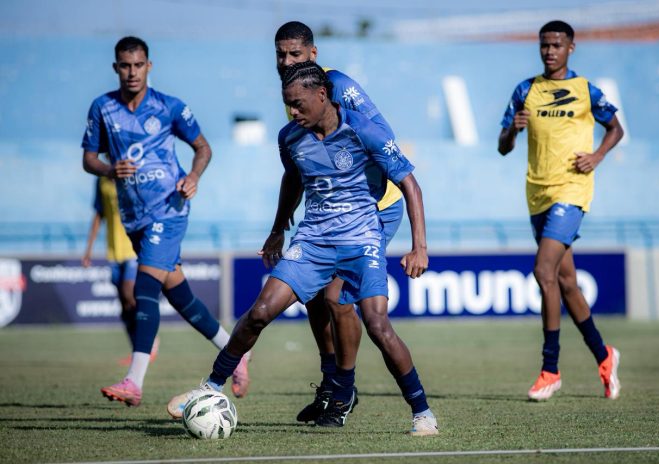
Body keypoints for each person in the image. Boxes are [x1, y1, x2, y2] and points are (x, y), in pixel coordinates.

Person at [169, 61, 438, 436]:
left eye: (298, 103)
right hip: (312, 242)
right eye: (288, 104)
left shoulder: (364, 130)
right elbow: (293, 180)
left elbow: (411, 185)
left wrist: (419, 247)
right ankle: (211, 385)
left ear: (322, 95)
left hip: (361, 241)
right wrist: (277, 230)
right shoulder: (290, 138)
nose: (292, 112)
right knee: (260, 311)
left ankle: (422, 412)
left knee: (377, 325)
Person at [81, 36, 248, 407]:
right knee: (180, 295)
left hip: (170, 209)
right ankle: (236, 353)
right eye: (125, 66)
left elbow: (203, 148)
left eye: (138, 65)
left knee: (144, 287)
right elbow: (88, 158)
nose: (132, 72)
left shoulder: (169, 107)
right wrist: (110, 169)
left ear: (149, 66)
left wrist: (193, 177)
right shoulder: (103, 108)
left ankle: (134, 381)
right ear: (116, 68)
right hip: (133, 218)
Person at [274, 20, 406, 424]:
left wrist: (361, 186)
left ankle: (343, 392)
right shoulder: (294, 94)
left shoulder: (337, 85)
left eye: (295, 54)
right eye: (281, 54)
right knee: (313, 296)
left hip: (375, 206)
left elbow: (383, 136)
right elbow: (297, 166)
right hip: (330, 213)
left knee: (337, 297)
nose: (286, 62)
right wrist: (279, 224)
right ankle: (331, 384)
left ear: (313, 54)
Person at [497, 20, 624, 401]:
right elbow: (503, 146)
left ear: (571, 47)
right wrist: (514, 129)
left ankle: (550, 369)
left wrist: (597, 157)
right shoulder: (526, 90)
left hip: (572, 190)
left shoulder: (586, 90)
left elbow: (615, 128)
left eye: (556, 44)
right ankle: (604, 356)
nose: (549, 51)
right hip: (537, 193)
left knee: (543, 270)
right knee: (566, 282)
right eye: (544, 45)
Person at [82, 176, 159, 365]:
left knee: (128, 293)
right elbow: (99, 214)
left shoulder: (133, 175)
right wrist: (89, 249)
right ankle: (137, 351)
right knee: (124, 306)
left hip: (133, 248)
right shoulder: (101, 180)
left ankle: (150, 337)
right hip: (113, 252)